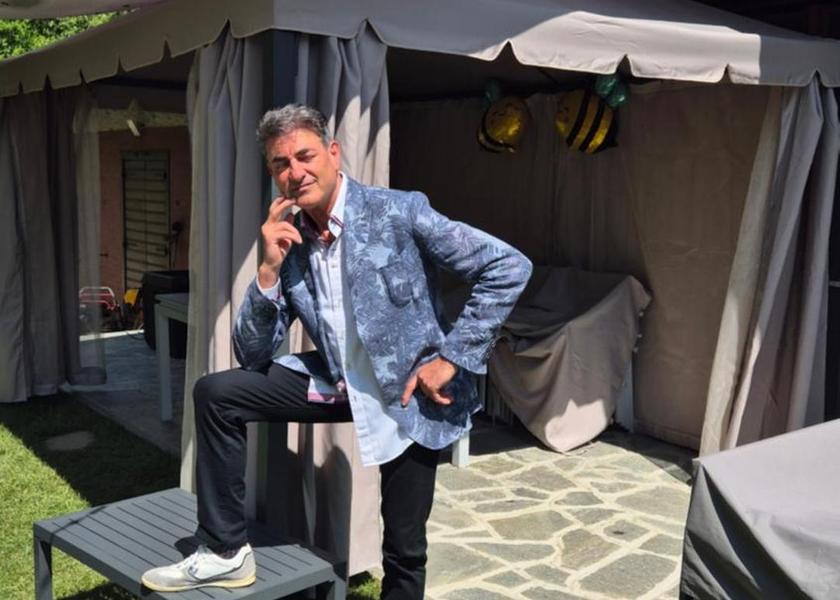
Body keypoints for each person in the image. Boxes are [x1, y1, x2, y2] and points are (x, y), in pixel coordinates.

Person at [141, 104, 532, 599]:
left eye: (304, 156)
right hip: (336, 380)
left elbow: (507, 267)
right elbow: (252, 353)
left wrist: (452, 358)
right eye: (281, 164)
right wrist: (267, 270)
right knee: (217, 393)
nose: (295, 172)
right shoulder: (290, 242)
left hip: (407, 394)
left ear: (332, 153)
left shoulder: (399, 211)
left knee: (404, 548)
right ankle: (224, 551)